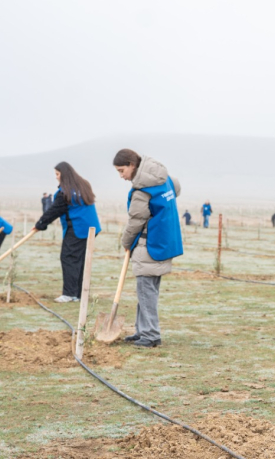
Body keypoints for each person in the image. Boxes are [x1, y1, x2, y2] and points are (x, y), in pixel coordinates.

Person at [113, 148, 183, 348]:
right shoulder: (164, 178)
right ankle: (142, 330)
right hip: (165, 240)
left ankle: (151, 335)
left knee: (146, 291)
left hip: (149, 243)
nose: (121, 176)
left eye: (121, 170)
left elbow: (136, 220)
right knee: (147, 289)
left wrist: (126, 242)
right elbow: (177, 189)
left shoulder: (142, 191)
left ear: (132, 165)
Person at [34, 162, 101, 303]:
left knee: (69, 258)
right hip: (91, 228)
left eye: (57, 174)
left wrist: (40, 224)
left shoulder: (65, 191)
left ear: (64, 174)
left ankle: (69, 294)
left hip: (78, 227)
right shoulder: (83, 184)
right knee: (80, 260)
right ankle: (78, 294)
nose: (56, 177)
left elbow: (55, 210)